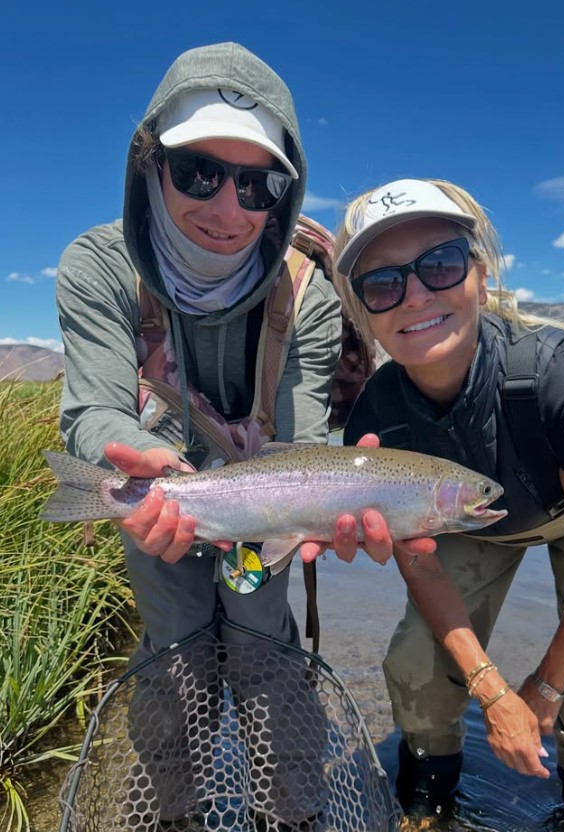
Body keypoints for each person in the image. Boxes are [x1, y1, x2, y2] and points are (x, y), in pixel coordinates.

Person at [56, 41, 353, 832]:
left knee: (261, 643)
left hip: (260, 523)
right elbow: (92, 411)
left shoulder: (308, 298)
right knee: (172, 656)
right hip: (156, 507)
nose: (228, 209)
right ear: (150, 166)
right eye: (198, 173)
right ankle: (174, 817)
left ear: (281, 194)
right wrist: (132, 461)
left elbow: (301, 445)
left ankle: (285, 815)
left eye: (257, 183)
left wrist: (339, 501)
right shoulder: (99, 265)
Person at [327, 177, 564, 832]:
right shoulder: (375, 420)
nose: (416, 294)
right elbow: (421, 568)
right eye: (383, 283)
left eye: (440, 263)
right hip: (469, 521)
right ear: (363, 310)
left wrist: (541, 686)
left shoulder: (563, 381)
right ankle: (427, 804)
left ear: (478, 272)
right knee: (415, 671)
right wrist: (490, 689)